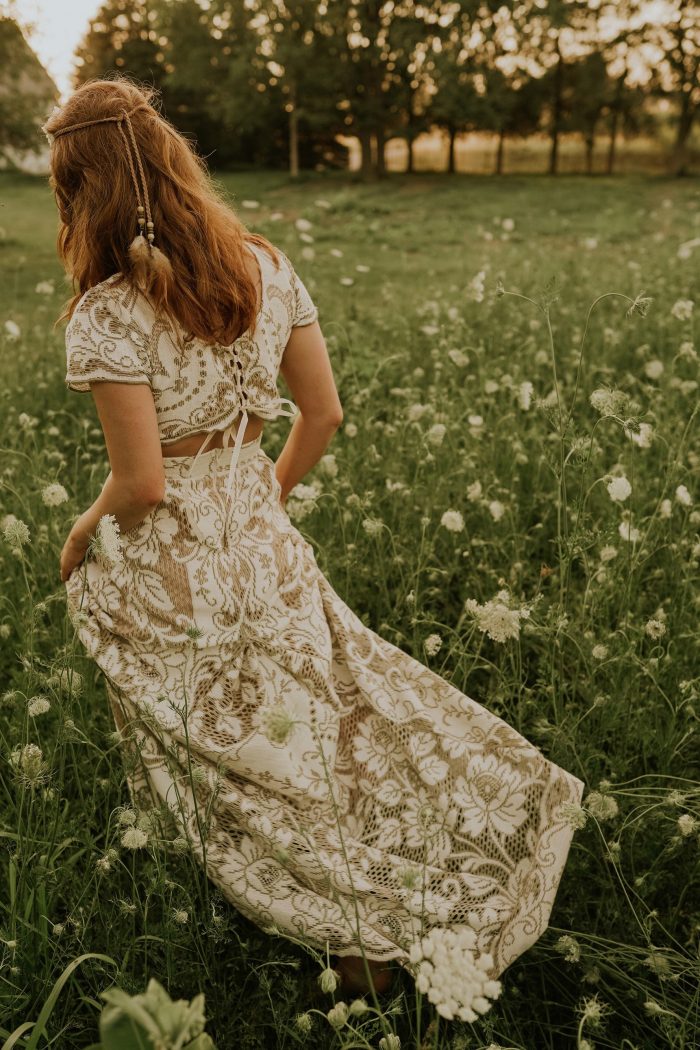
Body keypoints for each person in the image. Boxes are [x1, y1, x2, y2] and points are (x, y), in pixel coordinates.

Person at [46, 77, 585, 1001]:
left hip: (174, 561)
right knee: (322, 712)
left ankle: (345, 921)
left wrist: (81, 531)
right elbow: (323, 414)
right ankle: (398, 867)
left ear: (82, 193)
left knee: (219, 734)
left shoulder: (109, 312)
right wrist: (264, 498)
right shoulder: (264, 266)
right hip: (261, 535)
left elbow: (140, 486)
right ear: (173, 158)